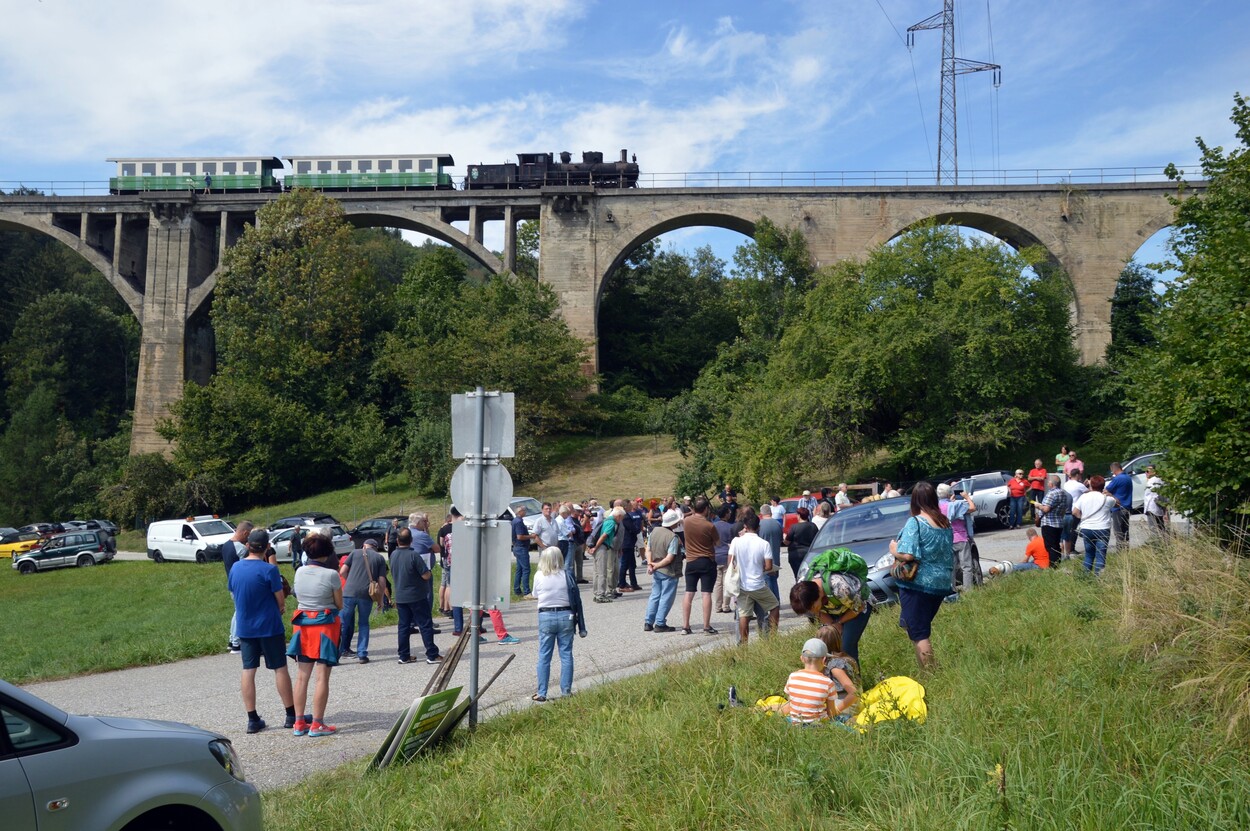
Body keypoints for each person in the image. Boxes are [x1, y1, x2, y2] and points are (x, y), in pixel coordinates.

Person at [227, 529, 295, 734]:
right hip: (269, 626)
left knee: (248, 669)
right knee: (279, 668)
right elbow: (280, 600)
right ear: (267, 547)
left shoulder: (236, 568)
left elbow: (234, 591)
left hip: (245, 628)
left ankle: (252, 718)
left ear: (248, 545)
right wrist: (280, 607)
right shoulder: (269, 570)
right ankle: (291, 715)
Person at [889, 481, 954, 669]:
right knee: (916, 625)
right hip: (941, 584)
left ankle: (929, 673)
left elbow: (908, 555)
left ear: (915, 500)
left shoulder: (916, 522)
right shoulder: (944, 522)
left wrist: (893, 549)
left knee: (919, 633)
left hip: (918, 584)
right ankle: (930, 667)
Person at [287, 533, 342, 737]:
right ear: (327, 552)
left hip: (303, 627)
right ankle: (317, 724)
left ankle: (299, 722)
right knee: (322, 677)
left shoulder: (299, 571)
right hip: (325, 627)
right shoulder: (331, 575)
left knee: (302, 677)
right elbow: (339, 604)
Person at [790, 546, 871, 665]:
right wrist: (833, 625)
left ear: (817, 597)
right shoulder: (805, 591)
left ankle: (853, 675)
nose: (811, 612)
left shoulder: (839, 587)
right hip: (834, 611)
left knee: (846, 646)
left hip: (857, 608)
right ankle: (834, 674)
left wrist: (839, 623)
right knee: (829, 644)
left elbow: (858, 608)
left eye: (812, 608)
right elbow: (818, 612)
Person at [533, 546, 585, 701]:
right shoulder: (566, 575)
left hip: (546, 615)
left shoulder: (539, 575)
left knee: (544, 655)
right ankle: (566, 691)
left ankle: (542, 692)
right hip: (566, 615)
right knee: (566, 654)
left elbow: (535, 594)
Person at [391, 528, 442, 665]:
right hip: (416, 595)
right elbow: (425, 575)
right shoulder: (414, 555)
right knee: (425, 625)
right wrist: (428, 572)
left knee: (403, 626)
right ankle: (432, 654)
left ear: (397, 540)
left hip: (400, 596)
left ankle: (404, 655)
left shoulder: (393, 555)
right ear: (411, 541)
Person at [728, 513, 779, 644]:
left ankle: (744, 643)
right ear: (758, 527)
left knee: (744, 615)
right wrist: (759, 567)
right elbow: (768, 566)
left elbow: (730, 562)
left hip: (742, 585)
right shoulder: (764, 544)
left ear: (745, 526)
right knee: (774, 606)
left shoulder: (736, 541)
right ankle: (773, 636)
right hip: (758, 584)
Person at [338, 538, 387, 664]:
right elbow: (382, 581)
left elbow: (342, 571)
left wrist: (350, 582)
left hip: (349, 592)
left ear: (364, 546)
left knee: (343, 623)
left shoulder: (354, 553)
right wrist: (381, 599)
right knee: (363, 623)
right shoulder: (380, 558)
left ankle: (336, 653)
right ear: (375, 547)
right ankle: (362, 654)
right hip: (366, 594)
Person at [779, 638, 847, 724]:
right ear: (824, 660)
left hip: (795, 723)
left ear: (802, 658)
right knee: (846, 718)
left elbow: (791, 704)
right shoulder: (828, 683)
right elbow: (831, 713)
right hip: (818, 725)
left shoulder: (792, 677)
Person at [680, 497, 720, 635]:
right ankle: (706, 626)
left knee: (689, 592)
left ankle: (685, 626)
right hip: (706, 560)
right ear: (706, 509)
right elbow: (717, 543)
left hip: (691, 560)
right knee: (706, 593)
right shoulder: (709, 525)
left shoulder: (686, 521)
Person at [643, 509, 684, 633]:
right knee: (666, 597)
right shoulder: (673, 537)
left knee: (655, 595)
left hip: (656, 569)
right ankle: (660, 623)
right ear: (673, 523)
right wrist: (656, 566)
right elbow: (669, 558)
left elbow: (648, 549)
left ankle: (648, 622)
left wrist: (650, 564)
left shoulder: (654, 531)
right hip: (668, 570)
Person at [1072, 475, 1118, 574]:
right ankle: (1099, 577)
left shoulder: (1084, 497)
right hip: (1102, 528)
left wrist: (1083, 518)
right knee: (1101, 555)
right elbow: (1118, 503)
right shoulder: (1107, 499)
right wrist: (1110, 494)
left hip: (1087, 528)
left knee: (1089, 554)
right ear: (1103, 486)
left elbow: (1075, 512)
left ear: (1091, 485)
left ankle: (1085, 575)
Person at [221, 520, 254, 654]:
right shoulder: (240, 548)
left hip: (232, 583)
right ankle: (236, 642)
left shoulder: (226, 545)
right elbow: (246, 567)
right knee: (241, 612)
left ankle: (232, 640)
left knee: (237, 611)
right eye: (249, 535)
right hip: (240, 585)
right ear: (245, 533)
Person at [937, 484, 978, 589]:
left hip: (947, 539)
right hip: (960, 537)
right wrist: (967, 497)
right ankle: (968, 589)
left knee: (951, 567)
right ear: (949, 493)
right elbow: (972, 508)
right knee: (966, 566)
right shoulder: (956, 505)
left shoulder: (936, 507)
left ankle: (951, 590)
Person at [815, 624, 860, 720]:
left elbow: (854, 693)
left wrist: (834, 712)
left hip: (846, 703)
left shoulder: (835, 666)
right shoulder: (844, 657)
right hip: (843, 699)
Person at [1035, 474, 1072, 566]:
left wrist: (1038, 506)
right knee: (1056, 545)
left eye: (1048, 482)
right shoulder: (1063, 493)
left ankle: (1053, 566)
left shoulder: (1051, 493)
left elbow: (1046, 509)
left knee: (1050, 546)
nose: (1048, 483)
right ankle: (1057, 563)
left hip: (1049, 523)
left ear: (1051, 484)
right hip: (1059, 522)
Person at [711, 504, 736, 614]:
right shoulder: (730, 527)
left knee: (718, 583)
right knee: (727, 582)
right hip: (726, 555)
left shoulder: (713, 526)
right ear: (726, 514)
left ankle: (717, 606)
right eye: (729, 512)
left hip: (715, 555)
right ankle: (726, 605)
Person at [617, 499, 645, 593]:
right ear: (625, 507)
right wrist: (637, 529)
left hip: (630, 543)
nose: (631, 507)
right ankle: (622, 584)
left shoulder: (627, 515)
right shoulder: (625, 517)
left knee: (632, 564)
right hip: (626, 543)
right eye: (629, 505)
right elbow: (632, 528)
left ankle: (634, 583)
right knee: (625, 564)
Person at [783, 507, 819, 580]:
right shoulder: (813, 526)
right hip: (809, 554)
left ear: (799, 515)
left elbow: (787, 542)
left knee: (798, 575)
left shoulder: (794, 527)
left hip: (796, 554)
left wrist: (784, 537)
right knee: (810, 575)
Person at [756, 508, 783, 600]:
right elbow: (781, 540)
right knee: (774, 580)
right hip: (775, 557)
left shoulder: (759, 525)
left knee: (767, 582)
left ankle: (773, 603)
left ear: (761, 513)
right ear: (770, 512)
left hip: (764, 559)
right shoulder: (777, 524)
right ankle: (777, 601)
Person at [1106, 462, 1134, 550]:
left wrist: (1110, 494)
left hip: (1118, 508)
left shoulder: (1117, 479)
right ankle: (1126, 550)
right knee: (1125, 530)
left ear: (1113, 470)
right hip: (1127, 506)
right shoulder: (1128, 478)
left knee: (1118, 531)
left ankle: (1120, 551)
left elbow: (1106, 490)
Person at [1061, 471, 1088, 557]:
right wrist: (1088, 484)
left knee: (1067, 530)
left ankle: (1065, 550)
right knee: (1074, 530)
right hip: (1076, 509)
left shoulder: (1066, 484)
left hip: (1067, 509)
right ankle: (1072, 548)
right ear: (1077, 475)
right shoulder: (1079, 485)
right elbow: (1088, 492)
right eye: (1079, 475)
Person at [510, 506, 533, 599]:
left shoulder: (514, 521)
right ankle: (527, 592)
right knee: (526, 569)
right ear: (520, 512)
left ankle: (517, 590)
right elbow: (520, 536)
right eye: (524, 510)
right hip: (521, 547)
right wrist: (531, 536)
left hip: (517, 547)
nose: (525, 512)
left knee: (519, 569)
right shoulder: (519, 522)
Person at [1143, 464, 1169, 535]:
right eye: (1146, 471)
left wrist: (1164, 509)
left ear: (1154, 472)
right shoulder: (1159, 480)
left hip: (1152, 508)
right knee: (1161, 528)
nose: (1146, 473)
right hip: (1157, 508)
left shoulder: (1153, 481)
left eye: (1148, 471)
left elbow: (1158, 496)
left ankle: (1157, 540)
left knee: (1154, 530)